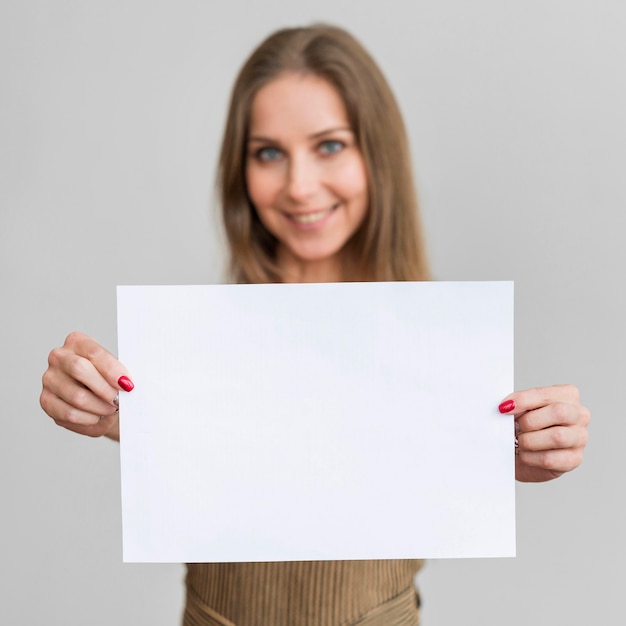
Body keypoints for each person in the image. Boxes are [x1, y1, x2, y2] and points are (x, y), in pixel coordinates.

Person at [40, 24, 590, 626]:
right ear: (240, 171)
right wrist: (114, 413)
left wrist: (514, 446)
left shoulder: (443, 354)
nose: (299, 186)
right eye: (269, 153)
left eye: (329, 145)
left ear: (376, 154)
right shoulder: (194, 352)